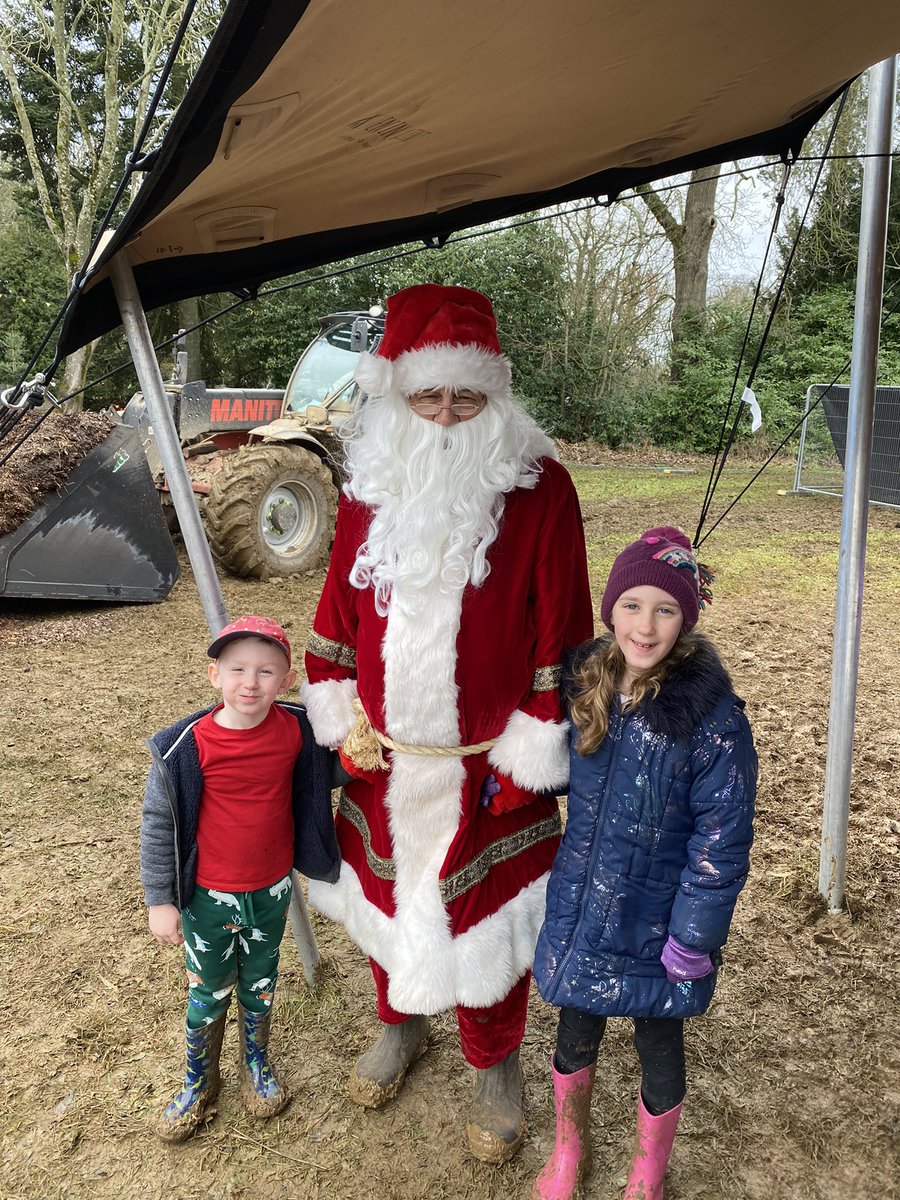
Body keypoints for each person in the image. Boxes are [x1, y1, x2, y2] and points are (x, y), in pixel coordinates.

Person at [301, 283, 593, 1163]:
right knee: (389, 897)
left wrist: (536, 745)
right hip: (384, 754)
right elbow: (339, 607)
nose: (446, 413)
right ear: (396, 395)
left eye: (466, 396)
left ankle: (494, 1062)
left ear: (494, 395)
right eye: (428, 395)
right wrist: (335, 700)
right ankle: (400, 1022)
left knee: (485, 919)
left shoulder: (540, 486)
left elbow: (566, 628)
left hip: (487, 761)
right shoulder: (367, 486)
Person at [531, 527, 757, 1200]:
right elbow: (565, 768)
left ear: (686, 617)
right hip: (584, 908)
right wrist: (516, 777)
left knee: (659, 1046)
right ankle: (569, 1147)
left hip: (659, 927)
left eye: (665, 608)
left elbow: (723, 838)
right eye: (631, 605)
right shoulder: (590, 685)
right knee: (575, 1032)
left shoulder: (711, 719)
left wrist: (694, 936)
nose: (645, 624)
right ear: (611, 610)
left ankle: (647, 1173)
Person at [140, 615, 340, 1142]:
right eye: (237, 669)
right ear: (214, 675)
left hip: (272, 890)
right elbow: (160, 825)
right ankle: (199, 1080)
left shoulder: (298, 731)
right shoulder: (184, 746)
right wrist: (161, 899)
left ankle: (256, 1065)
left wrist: (375, 742)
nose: (250, 683)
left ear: (287, 677)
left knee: (261, 981)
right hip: (208, 897)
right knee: (208, 988)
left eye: (266, 671)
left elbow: (333, 771)